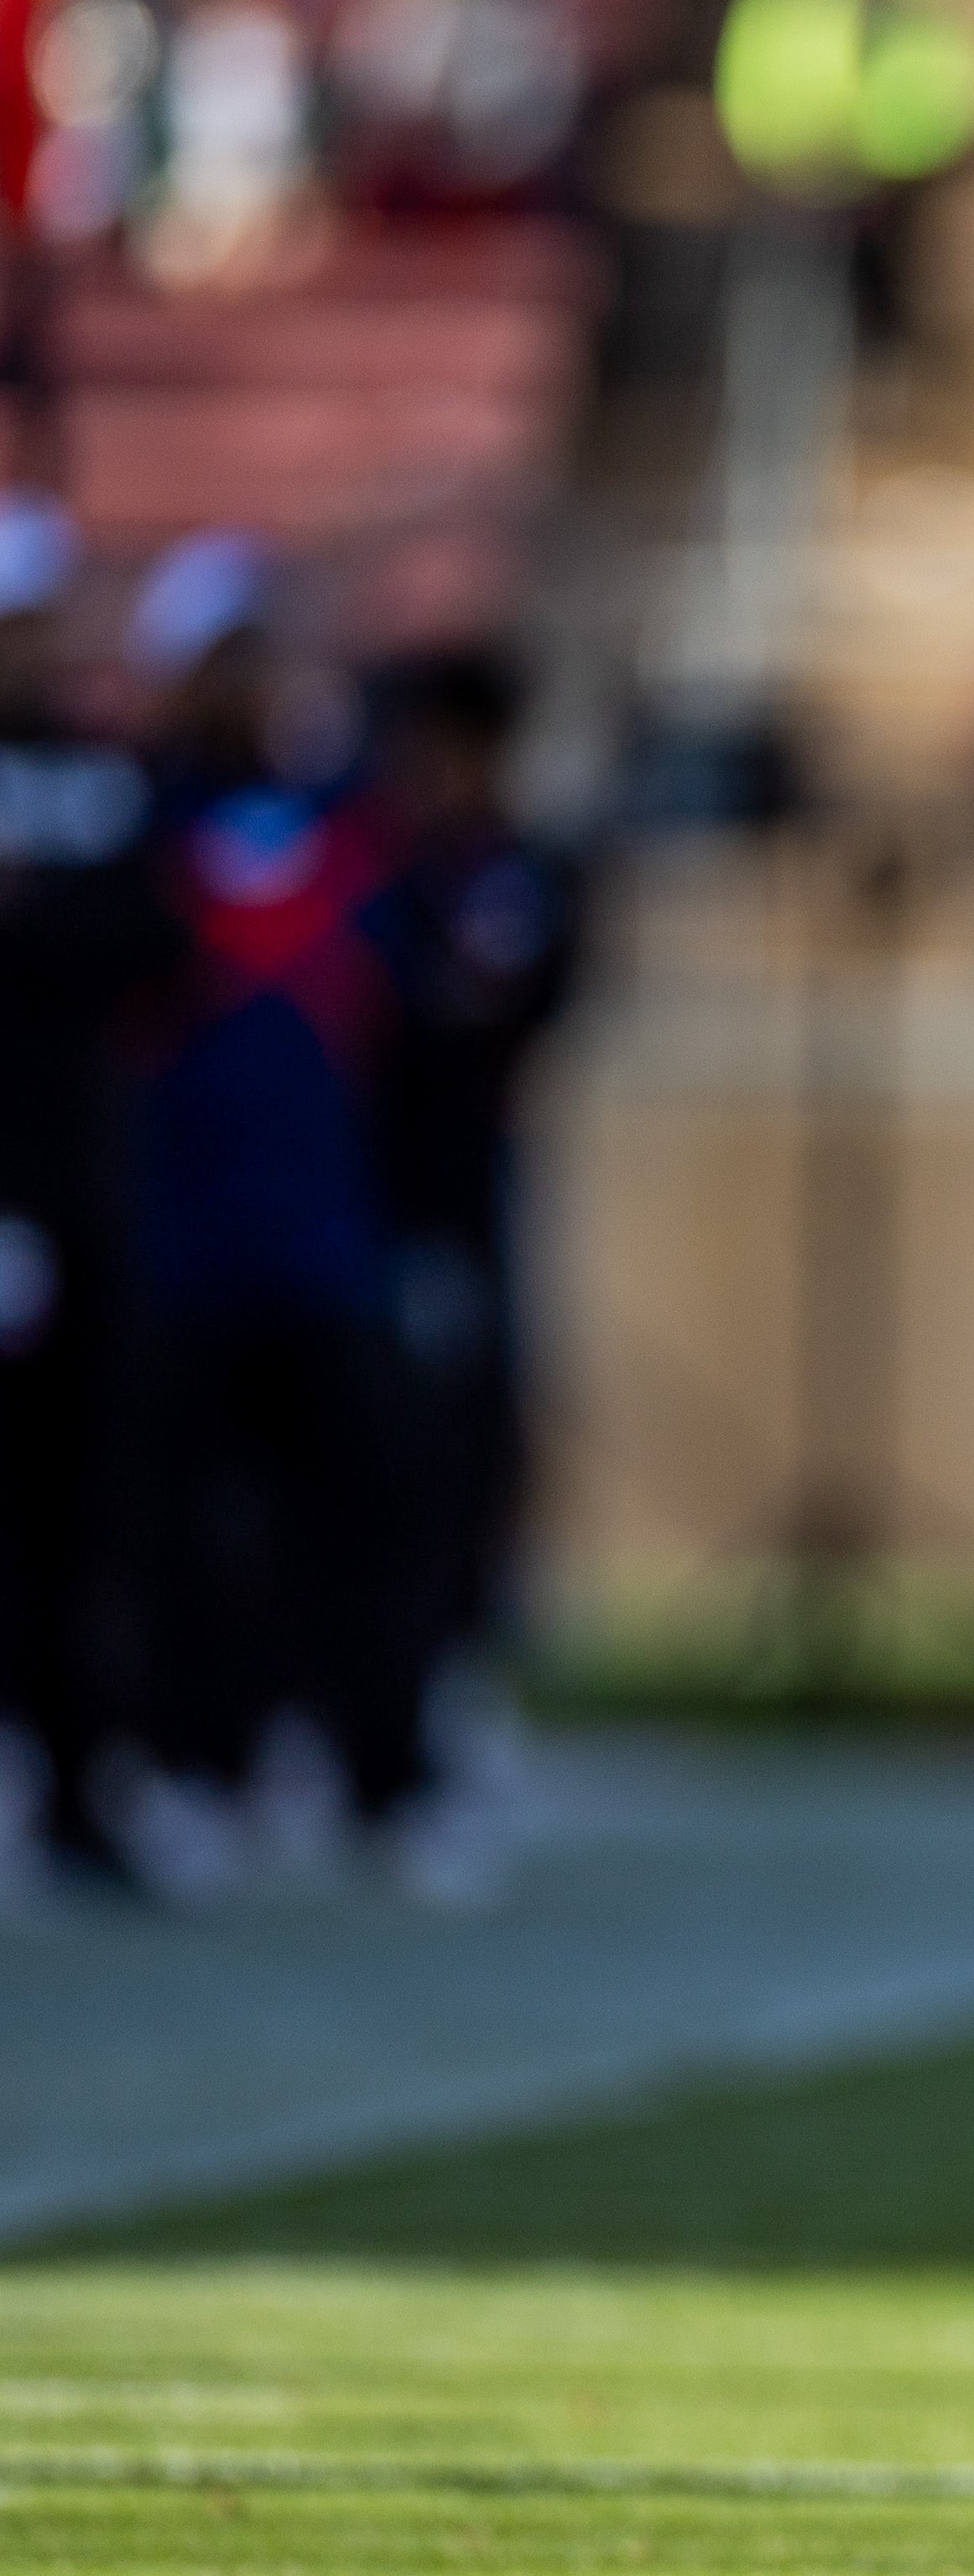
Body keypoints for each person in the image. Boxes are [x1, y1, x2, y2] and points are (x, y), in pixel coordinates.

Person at [115, 529, 445, 1887]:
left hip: (326, 1230)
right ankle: (195, 1759)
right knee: (178, 1519)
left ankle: (385, 1772)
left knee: (365, 1508)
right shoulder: (143, 830)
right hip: (181, 1230)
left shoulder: (364, 831)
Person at [0, 494, 180, 1881]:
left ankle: (79, 1780)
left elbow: (148, 950)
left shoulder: (107, 773)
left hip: (79, 1181)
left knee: (83, 1505)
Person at [359, 645, 577, 1696]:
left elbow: (522, 1005)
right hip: (355, 1184)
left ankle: (445, 1668)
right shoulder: (375, 864)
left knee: (468, 1435)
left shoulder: (513, 871)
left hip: (464, 1182)